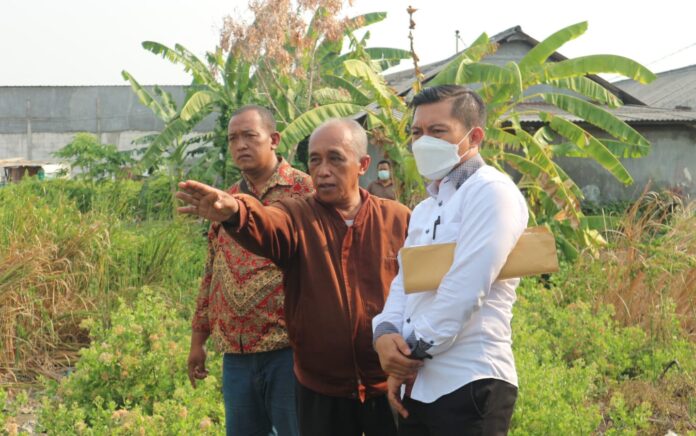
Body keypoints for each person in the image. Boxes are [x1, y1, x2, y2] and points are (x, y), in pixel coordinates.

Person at [178, 118, 411, 436]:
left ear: (363, 164)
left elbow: (421, 293)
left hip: (386, 383)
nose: (323, 170)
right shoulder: (296, 214)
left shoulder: (397, 219)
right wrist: (236, 212)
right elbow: (265, 223)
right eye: (315, 160)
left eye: (335, 158)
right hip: (320, 389)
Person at [372, 85, 529, 436]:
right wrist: (384, 332)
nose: (422, 141)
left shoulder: (492, 192)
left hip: (469, 381)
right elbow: (404, 282)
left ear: (474, 136)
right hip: (421, 384)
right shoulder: (426, 209)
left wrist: (406, 354)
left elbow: (464, 289)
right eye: (416, 132)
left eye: (437, 131)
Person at [188, 105, 313, 436]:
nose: (240, 144)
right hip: (237, 356)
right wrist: (198, 340)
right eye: (233, 138)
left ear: (273, 139)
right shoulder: (224, 200)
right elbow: (212, 271)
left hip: (289, 350)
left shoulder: (306, 191)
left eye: (249, 136)